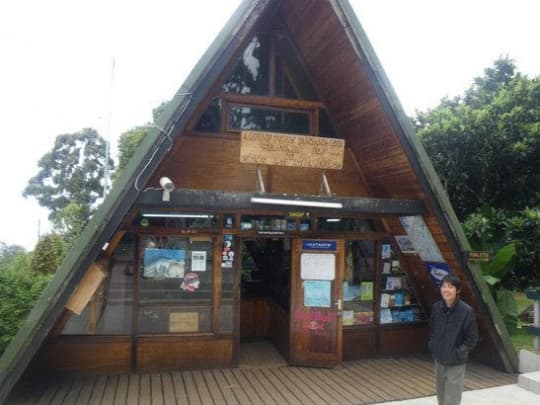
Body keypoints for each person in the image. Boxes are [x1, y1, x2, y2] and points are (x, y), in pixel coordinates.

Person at [429, 274, 478, 405]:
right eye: (443, 286)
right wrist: (433, 346)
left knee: (452, 399)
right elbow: (432, 330)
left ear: (458, 290)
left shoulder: (466, 311)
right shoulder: (436, 307)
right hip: (439, 359)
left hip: (456, 361)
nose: (446, 290)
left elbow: (472, 338)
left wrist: (459, 352)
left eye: (450, 287)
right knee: (441, 395)